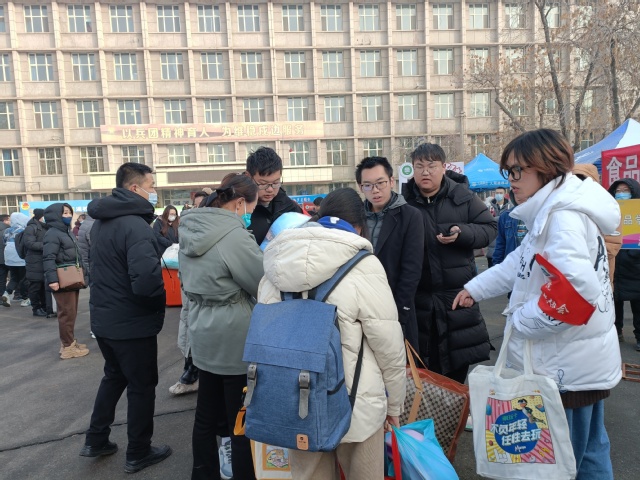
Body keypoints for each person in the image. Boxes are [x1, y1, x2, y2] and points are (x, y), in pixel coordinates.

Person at [454, 129, 621, 480]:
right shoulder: (552, 211)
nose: (511, 180)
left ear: (546, 168)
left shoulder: (562, 217)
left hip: (565, 366)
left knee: (565, 461)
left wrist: (522, 320)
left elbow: (576, 292)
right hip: (576, 362)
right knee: (588, 453)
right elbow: (520, 263)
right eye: (508, 171)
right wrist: (477, 288)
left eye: (517, 170)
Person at [258, 188, 406, 479]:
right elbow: (387, 344)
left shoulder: (277, 262)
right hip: (356, 402)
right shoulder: (364, 265)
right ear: (359, 226)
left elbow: (264, 337)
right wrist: (395, 404)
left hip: (296, 400)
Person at [80, 162, 171, 474]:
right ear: (135, 188)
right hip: (131, 322)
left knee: (114, 376)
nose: (154, 191)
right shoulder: (134, 225)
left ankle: (96, 439)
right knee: (141, 386)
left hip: (105, 318)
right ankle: (139, 451)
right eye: (151, 185)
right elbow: (146, 282)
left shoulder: (102, 222)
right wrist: (158, 304)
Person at [179, 174, 263, 480]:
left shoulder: (190, 228)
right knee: (238, 419)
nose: (249, 214)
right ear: (240, 203)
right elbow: (259, 281)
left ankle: (202, 474)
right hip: (233, 334)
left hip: (202, 329)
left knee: (204, 416)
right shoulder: (234, 236)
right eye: (251, 207)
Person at [404, 143, 496, 383]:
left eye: (431, 166)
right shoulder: (404, 203)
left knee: (456, 377)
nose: (425, 172)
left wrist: (462, 233)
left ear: (443, 167)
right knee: (422, 376)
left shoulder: (462, 197)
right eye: (419, 166)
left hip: (457, 300)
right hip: (419, 303)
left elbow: (489, 227)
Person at [355, 156, 425, 353]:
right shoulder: (355, 217)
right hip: (360, 307)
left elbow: (411, 270)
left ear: (391, 181)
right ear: (360, 187)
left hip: (395, 306)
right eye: (368, 185)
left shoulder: (410, 216)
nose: (375, 190)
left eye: (380, 183)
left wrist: (399, 314)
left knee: (398, 365)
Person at [42, 203, 89, 359]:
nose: (68, 215)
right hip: (62, 279)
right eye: (65, 213)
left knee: (71, 313)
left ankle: (69, 342)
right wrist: (53, 280)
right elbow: (48, 258)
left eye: (69, 212)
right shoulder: (53, 233)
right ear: (56, 215)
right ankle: (68, 347)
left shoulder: (65, 231)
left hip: (71, 278)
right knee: (66, 314)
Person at [573, 164, 621, 292]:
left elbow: (614, 244)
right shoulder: (569, 205)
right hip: (574, 274)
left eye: (582, 180)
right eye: (574, 180)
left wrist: (588, 253)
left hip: (600, 271)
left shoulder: (607, 206)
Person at [607, 178, 640, 349]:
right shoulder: (608, 211)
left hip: (636, 268)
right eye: (618, 191)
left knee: (638, 307)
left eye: (625, 190)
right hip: (615, 265)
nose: (621, 194)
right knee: (614, 303)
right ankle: (616, 332)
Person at [246, 147, 302, 245]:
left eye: (276, 183)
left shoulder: (290, 207)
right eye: (263, 184)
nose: (270, 189)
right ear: (248, 177)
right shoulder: (239, 209)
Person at [23, 208, 49, 316]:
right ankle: (36, 308)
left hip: (44, 260)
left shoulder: (45, 227)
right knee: (35, 286)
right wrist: (47, 245)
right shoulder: (31, 227)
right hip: (34, 261)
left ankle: (44, 307)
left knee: (43, 286)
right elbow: (29, 243)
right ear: (41, 217)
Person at [492, 191, 528, 266]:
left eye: (522, 192)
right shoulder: (506, 216)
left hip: (531, 264)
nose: (519, 196)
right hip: (511, 264)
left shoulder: (539, 214)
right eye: (516, 193)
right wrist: (496, 265)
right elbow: (500, 244)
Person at [2, 212, 30, 307]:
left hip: (9, 258)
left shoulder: (7, 231)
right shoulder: (24, 230)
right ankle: (25, 298)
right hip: (20, 257)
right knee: (24, 278)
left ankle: (6, 293)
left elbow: (4, 242)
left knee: (14, 278)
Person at [0, 214, 10, 307]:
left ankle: (1, 296)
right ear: (5, 221)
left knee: (1, 278)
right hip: (8, 258)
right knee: (16, 277)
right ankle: (19, 295)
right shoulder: (7, 231)